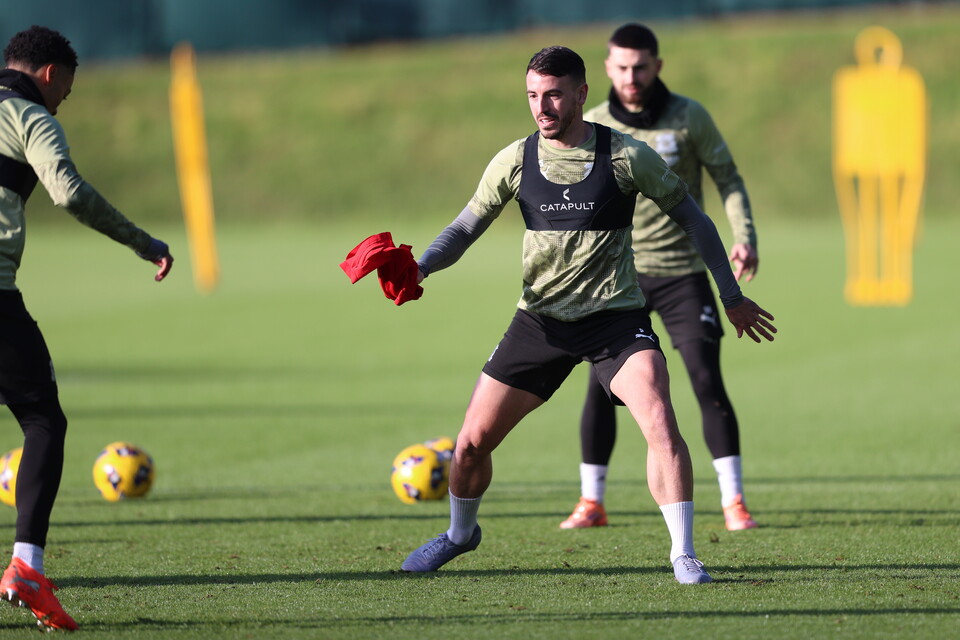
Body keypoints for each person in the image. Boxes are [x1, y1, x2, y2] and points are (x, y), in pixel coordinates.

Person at [393, 46, 775, 584]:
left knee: (660, 421)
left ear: (580, 94)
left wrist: (731, 296)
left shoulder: (625, 156)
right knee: (472, 443)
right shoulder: (514, 160)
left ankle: (683, 553)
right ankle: (460, 534)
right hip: (540, 320)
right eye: (531, 95)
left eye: (552, 94)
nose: (541, 106)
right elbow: (463, 229)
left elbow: (696, 221)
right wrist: (421, 268)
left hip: (615, 320)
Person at [0, 26, 173, 631]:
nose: (61, 104)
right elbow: (69, 193)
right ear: (50, 75)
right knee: (43, 421)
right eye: (65, 94)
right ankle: (25, 565)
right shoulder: (28, 114)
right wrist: (142, 241)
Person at [559, 24, 761, 533]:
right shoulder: (594, 123)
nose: (631, 76)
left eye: (641, 66)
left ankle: (733, 501)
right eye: (622, 67)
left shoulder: (689, 116)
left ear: (658, 66)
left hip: (683, 275)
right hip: (618, 279)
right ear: (607, 68)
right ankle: (592, 502)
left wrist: (745, 235)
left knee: (704, 377)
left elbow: (729, 178)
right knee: (601, 386)